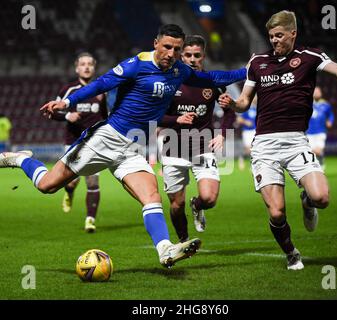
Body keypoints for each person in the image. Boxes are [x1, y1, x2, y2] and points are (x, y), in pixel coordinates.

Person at [0, 24, 246, 268]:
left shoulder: (179, 70)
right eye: (167, 47)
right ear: (156, 44)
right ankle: (20, 158)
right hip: (106, 139)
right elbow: (101, 84)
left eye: (177, 49)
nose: (171, 54)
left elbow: (211, 78)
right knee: (47, 186)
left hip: (133, 148)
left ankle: (165, 250)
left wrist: (246, 71)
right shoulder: (136, 64)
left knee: (151, 196)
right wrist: (68, 101)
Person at [219, 10, 337, 270]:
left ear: (293, 34)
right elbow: (244, 103)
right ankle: (291, 253)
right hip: (265, 146)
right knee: (276, 212)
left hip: (297, 142)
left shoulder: (310, 57)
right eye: (271, 36)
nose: (274, 41)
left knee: (322, 198)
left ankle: (307, 201)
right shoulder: (258, 63)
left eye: (280, 36)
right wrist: (231, 104)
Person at [158, 35, 240, 242]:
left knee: (209, 198)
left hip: (203, 146)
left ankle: (197, 205)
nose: (192, 59)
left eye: (197, 55)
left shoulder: (212, 83)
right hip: (172, 148)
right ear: (180, 56)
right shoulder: (168, 82)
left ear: (203, 56)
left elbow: (230, 110)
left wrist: (223, 134)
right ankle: (184, 241)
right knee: (176, 205)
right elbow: (155, 116)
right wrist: (177, 119)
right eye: (188, 55)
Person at [50, 52, 108, 232]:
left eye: (90, 64)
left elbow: (105, 115)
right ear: (77, 68)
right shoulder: (68, 91)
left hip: (94, 142)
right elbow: (52, 111)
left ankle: (90, 219)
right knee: (71, 182)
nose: (87, 67)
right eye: (83, 64)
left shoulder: (101, 90)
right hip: (73, 142)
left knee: (92, 182)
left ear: (94, 66)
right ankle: (69, 192)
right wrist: (68, 115)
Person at [306, 86, 334, 169]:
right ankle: (316, 165)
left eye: (319, 91)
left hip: (321, 131)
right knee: (312, 151)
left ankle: (320, 164)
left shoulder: (326, 105)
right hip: (309, 132)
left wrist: (330, 121)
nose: (317, 93)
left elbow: (331, 115)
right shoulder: (307, 103)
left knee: (318, 151)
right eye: (315, 91)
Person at [237, 96, 257, 170]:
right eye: (254, 97)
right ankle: (241, 158)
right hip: (247, 131)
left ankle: (252, 165)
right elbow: (239, 119)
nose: (256, 99)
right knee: (248, 150)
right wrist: (246, 122)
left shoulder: (257, 108)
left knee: (254, 149)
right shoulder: (246, 109)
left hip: (254, 131)